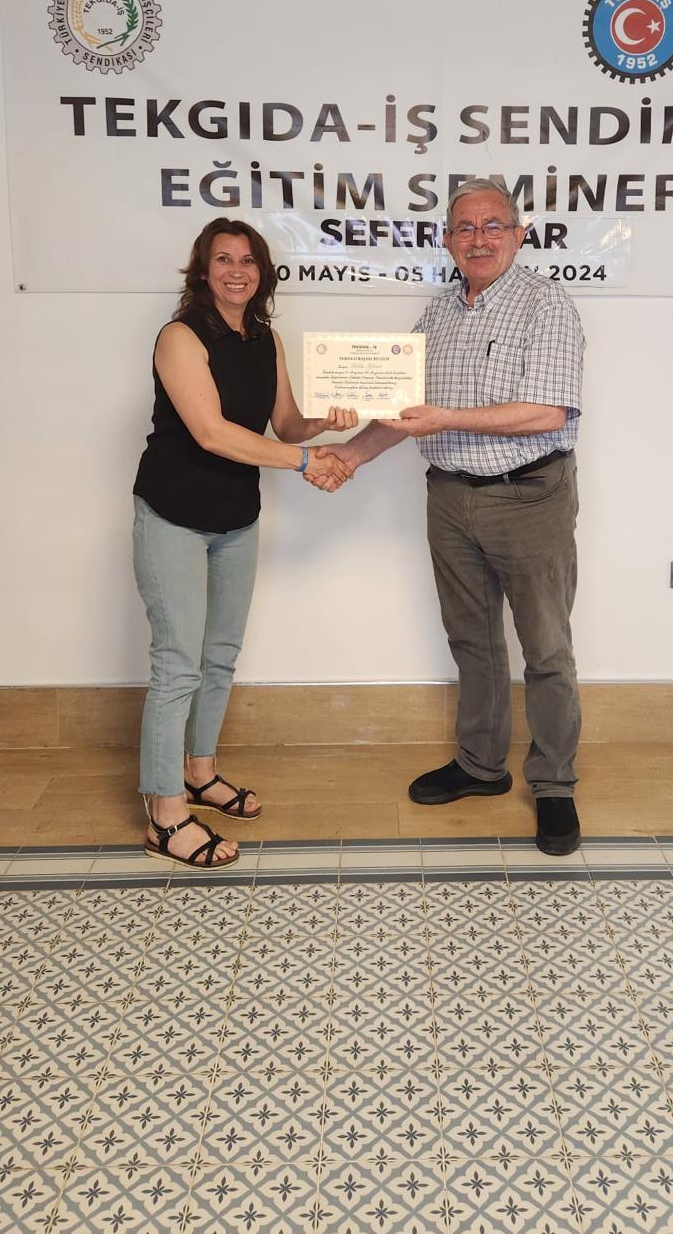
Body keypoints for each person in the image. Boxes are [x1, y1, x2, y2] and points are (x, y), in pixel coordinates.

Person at [342, 180, 584, 856]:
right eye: (465, 228)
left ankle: (554, 782)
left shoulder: (546, 305)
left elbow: (548, 413)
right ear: (447, 240)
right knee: (472, 640)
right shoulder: (438, 314)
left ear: (518, 234)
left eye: (492, 225)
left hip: (529, 496)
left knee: (546, 649)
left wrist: (445, 417)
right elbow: (404, 408)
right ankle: (481, 765)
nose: (479, 239)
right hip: (449, 496)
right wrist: (348, 456)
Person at [133, 217, 355, 869]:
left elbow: (283, 424)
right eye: (224, 259)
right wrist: (307, 460)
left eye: (249, 260)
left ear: (263, 272)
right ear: (203, 271)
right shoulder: (179, 337)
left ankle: (199, 773)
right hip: (173, 511)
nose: (237, 270)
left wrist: (328, 420)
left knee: (220, 654)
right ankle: (165, 815)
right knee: (178, 663)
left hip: (237, 515)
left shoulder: (265, 338)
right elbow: (211, 432)